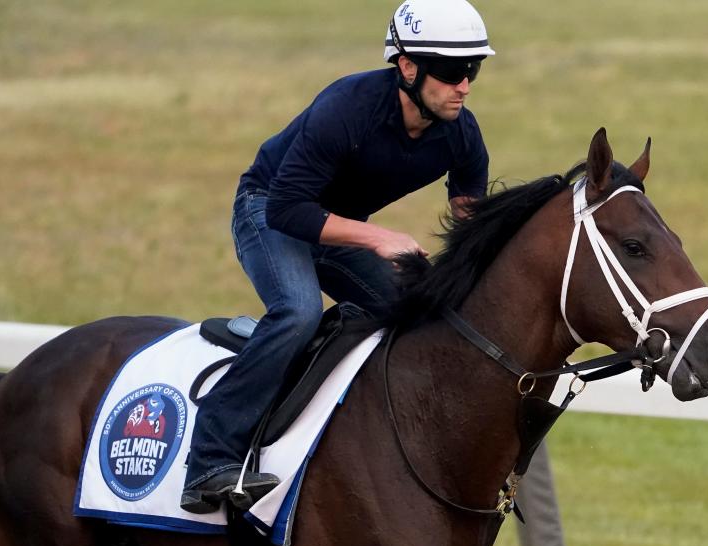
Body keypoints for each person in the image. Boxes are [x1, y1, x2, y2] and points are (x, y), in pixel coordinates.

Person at [180, 0, 495, 513]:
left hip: (333, 229)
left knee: (423, 311)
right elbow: (286, 209)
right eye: (453, 71)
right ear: (408, 68)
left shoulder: (461, 133)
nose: (464, 85)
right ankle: (210, 461)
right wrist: (376, 238)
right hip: (269, 209)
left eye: (473, 70)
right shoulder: (348, 108)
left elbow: (471, 220)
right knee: (298, 311)